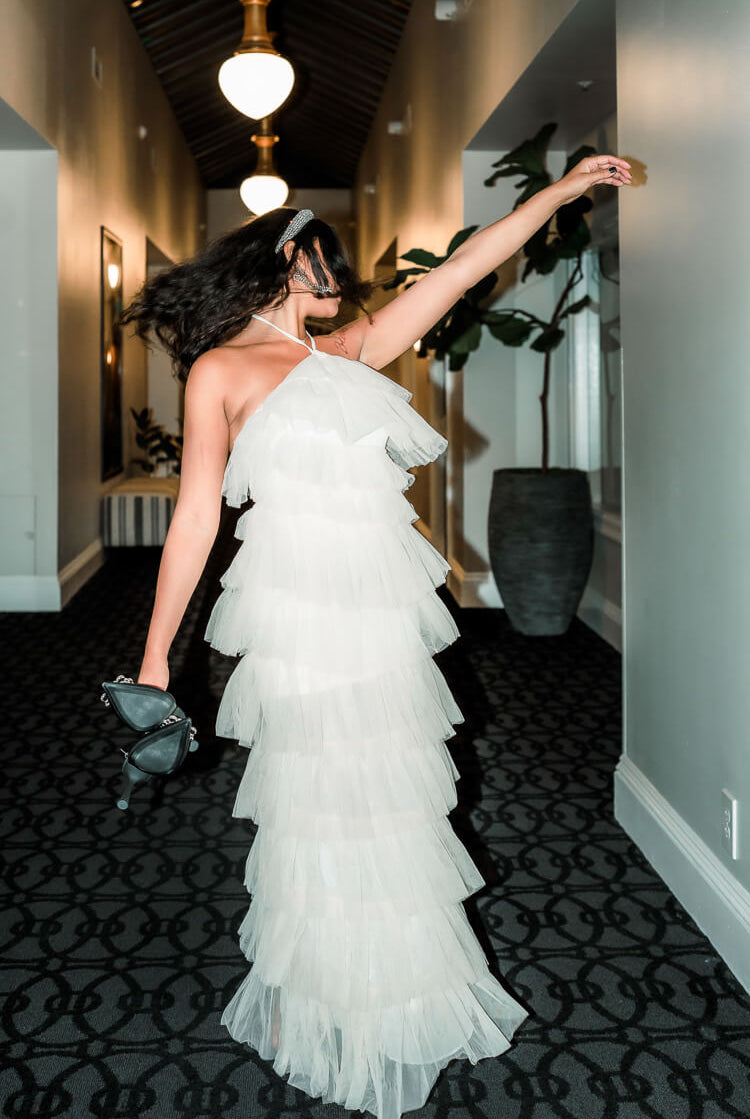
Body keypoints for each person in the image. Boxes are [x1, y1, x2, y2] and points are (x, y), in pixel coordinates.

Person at [120, 154, 631, 1118]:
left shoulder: (348, 352)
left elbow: (458, 273)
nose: (341, 280)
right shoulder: (222, 370)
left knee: (393, 803)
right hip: (298, 618)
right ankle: (318, 992)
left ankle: (392, 983)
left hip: (381, 620)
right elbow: (195, 518)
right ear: (287, 259)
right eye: (327, 263)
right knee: (321, 803)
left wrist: (558, 197)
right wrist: (156, 655)